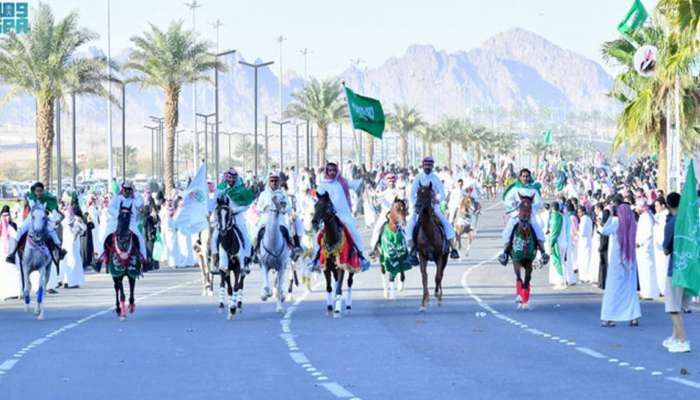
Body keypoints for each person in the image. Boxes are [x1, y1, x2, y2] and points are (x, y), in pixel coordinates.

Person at [312, 161, 370, 270]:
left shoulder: (341, 182)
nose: (332, 172)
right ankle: (314, 261)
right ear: (326, 171)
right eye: (330, 170)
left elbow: (355, 184)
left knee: (354, 233)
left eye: (334, 170)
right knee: (317, 237)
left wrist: (363, 179)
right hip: (328, 217)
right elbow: (318, 201)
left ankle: (361, 257)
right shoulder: (322, 185)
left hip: (344, 215)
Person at [406, 157, 460, 265]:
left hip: (433, 207)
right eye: (426, 165)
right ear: (423, 165)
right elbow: (411, 194)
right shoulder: (418, 178)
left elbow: (443, 194)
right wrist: (415, 205)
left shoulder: (435, 179)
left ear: (432, 166)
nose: (427, 167)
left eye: (429, 165)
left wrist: (437, 199)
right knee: (409, 226)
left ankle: (453, 249)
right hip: (419, 208)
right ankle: (412, 252)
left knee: (446, 224)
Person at [600, 202, 641, 327]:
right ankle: (633, 317)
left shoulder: (616, 223)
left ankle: (609, 317)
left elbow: (604, 231)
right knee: (630, 290)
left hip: (617, 263)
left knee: (613, 290)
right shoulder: (633, 224)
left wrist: (610, 217)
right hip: (630, 260)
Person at [6, 182, 65, 263]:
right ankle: (12, 254)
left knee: (52, 233)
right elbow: (29, 197)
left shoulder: (47, 199)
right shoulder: (31, 197)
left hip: (43, 220)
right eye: (37, 191)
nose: (39, 193)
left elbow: (54, 210)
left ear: (43, 191)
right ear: (34, 191)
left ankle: (60, 251)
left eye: (40, 191)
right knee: (19, 232)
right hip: (31, 219)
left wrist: (57, 218)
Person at [662, 192, 691, 353]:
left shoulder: (672, 223)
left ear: (668, 205)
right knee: (679, 306)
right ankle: (674, 337)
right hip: (689, 268)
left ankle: (683, 340)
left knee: (673, 307)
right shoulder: (690, 221)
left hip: (675, 268)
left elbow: (666, 249)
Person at [210, 167, 255, 272]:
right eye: (229, 178)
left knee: (246, 238)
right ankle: (215, 261)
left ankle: (246, 261)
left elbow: (246, 205)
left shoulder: (241, 189)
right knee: (214, 237)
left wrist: (234, 210)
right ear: (226, 177)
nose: (231, 180)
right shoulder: (220, 188)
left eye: (233, 178)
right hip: (222, 217)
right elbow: (215, 203)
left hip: (236, 217)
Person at [499, 168, 545, 265]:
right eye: (523, 176)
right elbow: (508, 201)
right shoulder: (515, 189)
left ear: (529, 177)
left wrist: (530, 208)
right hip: (517, 215)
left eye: (527, 176)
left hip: (530, 216)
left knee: (539, 233)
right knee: (508, 232)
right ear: (520, 177)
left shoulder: (534, 189)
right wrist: (516, 211)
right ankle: (505, 254)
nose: (525, 178)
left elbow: (538, 203)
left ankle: (543, 253)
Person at [252, 172, 302, 261]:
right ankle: (255, 251)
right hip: (266, 216)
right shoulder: (264, 194)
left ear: (279, 182)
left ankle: (293, 248)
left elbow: (288, 206)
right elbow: (258, 208)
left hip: (279, 216)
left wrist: (283, 209)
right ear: (269, 182)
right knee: (256, 230)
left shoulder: (282, 194)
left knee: (288, 229)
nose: (274, 182)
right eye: (272, 181)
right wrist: (265, 208)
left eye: (276, 181)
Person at [107, 181, 147, 262]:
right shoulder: (116, 198)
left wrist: (135, 191)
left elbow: (140, 203)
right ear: (122, 190)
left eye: (129, 190)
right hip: (117, 222)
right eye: (125, 190)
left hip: (131, 223)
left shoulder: (134, 200)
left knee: (140, 238)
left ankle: (144, 259)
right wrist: (118, 214)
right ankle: (99, 259)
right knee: (106, 235)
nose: (127, 192)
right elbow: (110, 208)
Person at [369, 173, 405, 257]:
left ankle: (409, 249)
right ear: (386, 182)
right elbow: (376, 202)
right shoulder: (383, 193)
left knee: (406, 229)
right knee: (377, 229)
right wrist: (374, 196)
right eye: (389, 181)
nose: (391, 183)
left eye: (393, 181)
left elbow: (403, 202)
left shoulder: (399, 192)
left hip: (397, 216)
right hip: (384, 215)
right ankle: (373, 249)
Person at [635, 200, 659, 299]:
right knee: (642, 271)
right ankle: (644, 292)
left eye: (637, 208)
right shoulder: (643, 217)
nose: (636, 210)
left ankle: (649, 293)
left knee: (647, 271)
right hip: (641, 248)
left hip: (645, 248)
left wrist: (640, 243)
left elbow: (648, 233)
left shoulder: (646, 217)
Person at [0, 206, 21, 300]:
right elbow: (18, 238)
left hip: (11, 254)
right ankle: (10, 292)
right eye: (4, 215)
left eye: (7, 215)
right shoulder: (6, 227)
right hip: (6, 255)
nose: (6, 218)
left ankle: (15, 292)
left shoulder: (11, 226)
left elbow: (17, 238)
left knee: (13, 271)